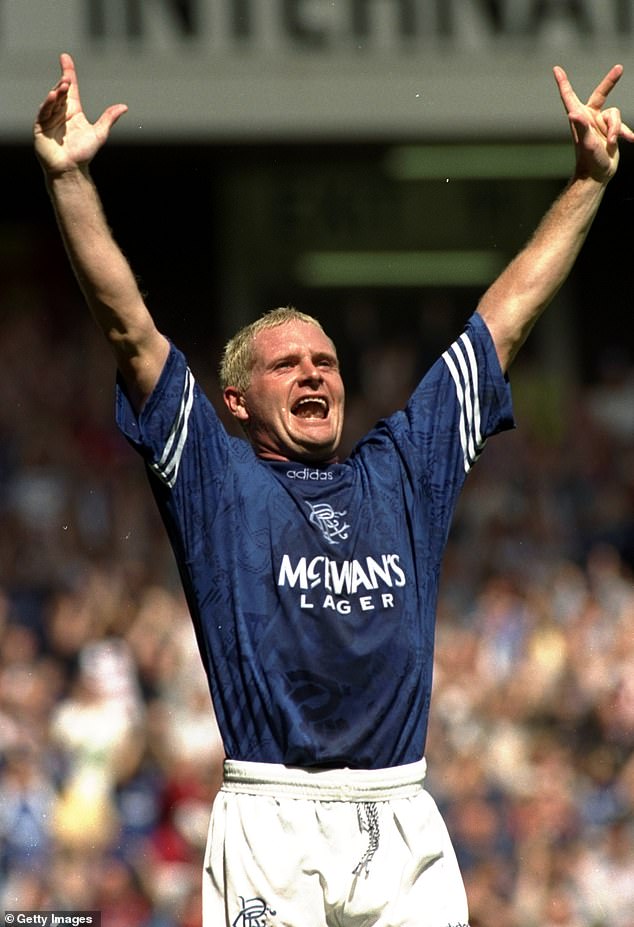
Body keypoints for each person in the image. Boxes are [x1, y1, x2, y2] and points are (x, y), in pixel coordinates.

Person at [34, 53, 632, 927]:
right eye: (288, 364)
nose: (315, 375)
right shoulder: (213, 472)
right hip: (273, 817)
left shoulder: (403, 467)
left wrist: (587, 181)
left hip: (404, 815)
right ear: (235, 398)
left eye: (326, 361)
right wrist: (72, 181)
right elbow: (129, 327)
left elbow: (502, 321)